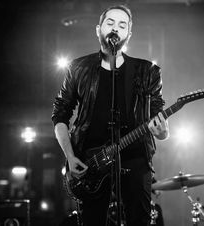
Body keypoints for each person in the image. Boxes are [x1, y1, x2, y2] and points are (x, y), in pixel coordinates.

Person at [52, 4, 169, 226]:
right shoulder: (78, 68)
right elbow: (60, 115)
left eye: (122, 25)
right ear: (99, 30)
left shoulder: (147, 71)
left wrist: (163, 133)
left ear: (128, 34)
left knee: (140, 220)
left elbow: (158, 115)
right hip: (91, 161)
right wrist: (70, 156)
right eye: (110, 23)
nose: (116, 28)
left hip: (134, 156)